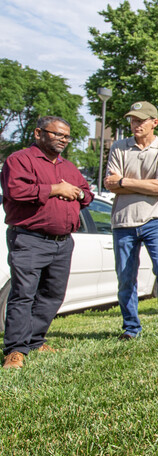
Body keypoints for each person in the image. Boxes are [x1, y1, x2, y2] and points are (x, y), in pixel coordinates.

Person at [1, 116, 93, 368]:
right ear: (38, 133)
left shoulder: (69, 167)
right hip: (30, 239)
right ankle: (15, 350)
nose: (63, 139)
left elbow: (87, 195)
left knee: (53, 294)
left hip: (62, 242)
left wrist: (77, 192)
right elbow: (15, 190)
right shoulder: (20, 160)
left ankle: (34, 340)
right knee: (23, 294)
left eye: (67, 136)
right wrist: (54, 189)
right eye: (57, 134)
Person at [104, 101, 158, 339]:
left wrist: (124, 181)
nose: (135, 124)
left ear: (154, 122)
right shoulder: (119, 147)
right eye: (133, 120)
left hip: (155, 220)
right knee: (126, 277)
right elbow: (110, 184)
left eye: (141, 120)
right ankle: (131, 328)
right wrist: (148, 186)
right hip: (123, 221)